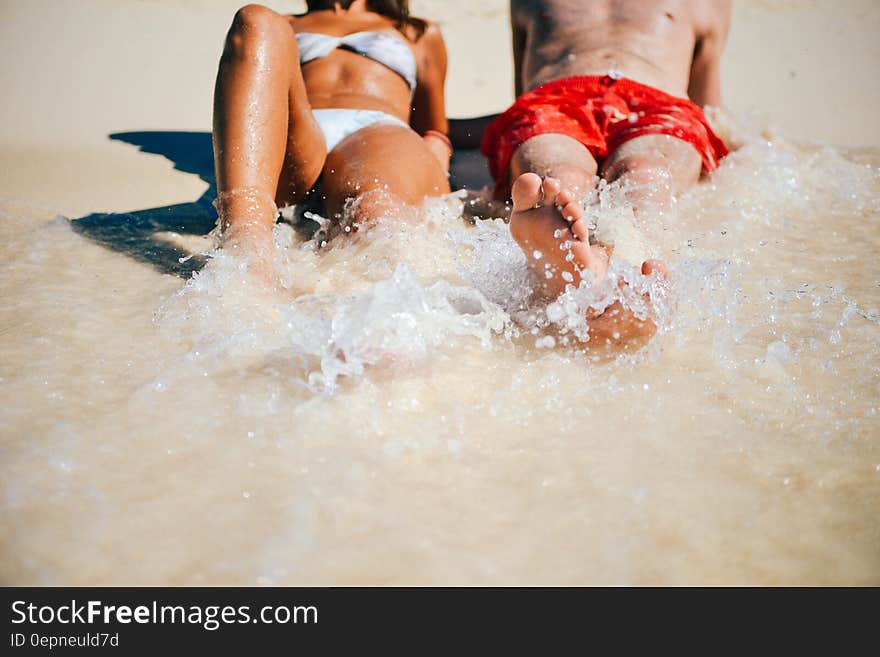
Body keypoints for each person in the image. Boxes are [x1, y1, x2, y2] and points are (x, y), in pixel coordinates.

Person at [466, 0, 731, 345]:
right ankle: (617, 282)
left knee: (639, 178)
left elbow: (706, 108)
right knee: (565, 181)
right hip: (556, 97)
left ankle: (599, 273)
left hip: (656, 104)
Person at [212, 1, 452, 263]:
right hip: (299, 132)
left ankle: (379, 292)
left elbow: (432, 126)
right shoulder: (288, 23)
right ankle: (245, 250)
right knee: (256, 20)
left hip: (377, 131)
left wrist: (436, 153)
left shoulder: (415, 31)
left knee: (376, 214)